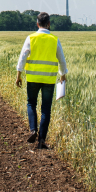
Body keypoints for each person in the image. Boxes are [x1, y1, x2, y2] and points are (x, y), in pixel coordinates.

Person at [15, 11, 67, 150]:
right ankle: (42, 140)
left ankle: (33, 130)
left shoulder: (31, 38)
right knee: (46, 109)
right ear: (49, 24)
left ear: (37, 24)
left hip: (33, 78)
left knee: (31, 103)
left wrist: (19, 75)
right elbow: (62, 59)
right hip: (49, 79)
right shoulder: (54, 39)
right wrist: (63, 75)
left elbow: (23, 57)